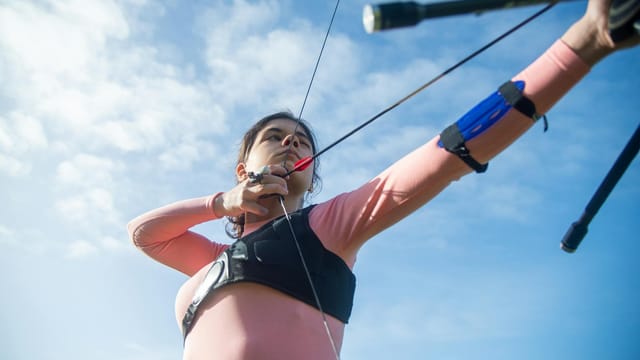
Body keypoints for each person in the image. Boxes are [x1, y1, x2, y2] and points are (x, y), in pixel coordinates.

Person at [128, 1, 639, 359]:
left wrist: (584, 43)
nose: (292, 143)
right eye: (276, 137)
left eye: (303, 142)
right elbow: (144, 235)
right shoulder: (209, 263)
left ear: (311, 175)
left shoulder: (327, 226)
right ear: (243, 170)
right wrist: (224, 201)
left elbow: (449, 152)